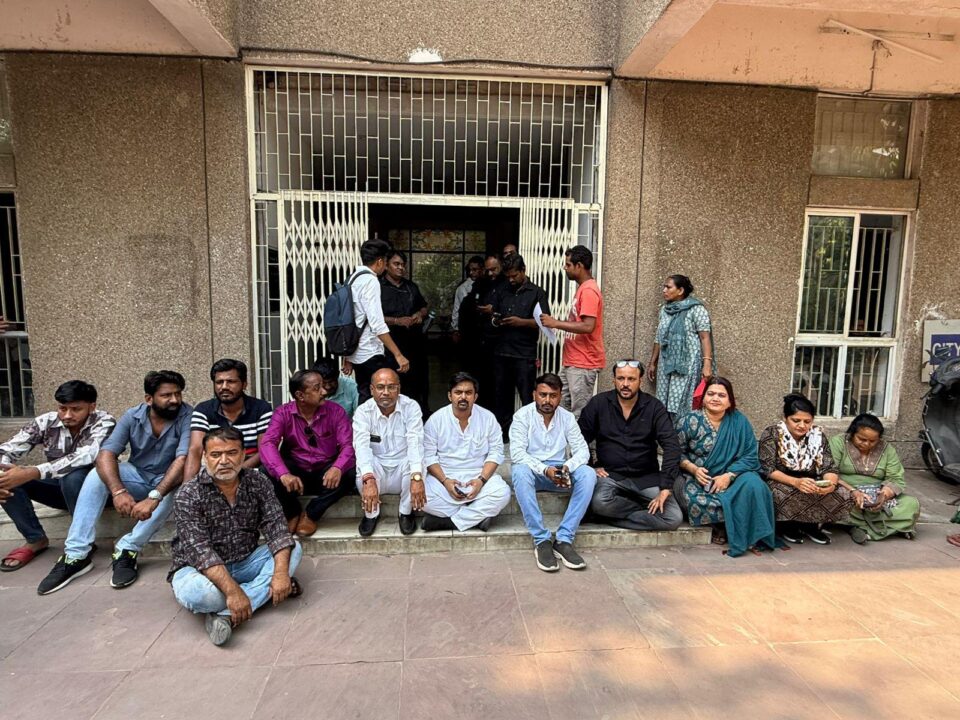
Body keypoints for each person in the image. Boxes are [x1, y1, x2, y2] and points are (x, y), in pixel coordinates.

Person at [37, 371, 193, 595]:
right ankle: (76, 555)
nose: (175, 400)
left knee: (183, 485)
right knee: (96, 474)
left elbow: (183, 460)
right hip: (137, 475)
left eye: (178, 394)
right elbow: (106, 454)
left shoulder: (188, 415)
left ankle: (128, 549)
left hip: (168, 480)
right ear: (149, 399)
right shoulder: (132, 416)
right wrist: (118, 491)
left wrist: (154, 497)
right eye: (166, 395)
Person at [169, 427, 302, 647]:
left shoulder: (257, 481)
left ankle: (226, 616)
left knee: (293, 547)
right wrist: (232, 592)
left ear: (243, 455)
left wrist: (280, 574)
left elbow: (277, 528)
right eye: (215, 455)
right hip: (197, 569)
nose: (224, 461)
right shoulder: (188, 494)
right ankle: (259, 592)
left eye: (231, 453)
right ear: (204, 457)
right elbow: (201, 553)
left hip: (244, 561)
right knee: (201, 596)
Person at [0, 381, 115, 571]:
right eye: (63, 408)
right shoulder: (46, 422)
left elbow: (86, 456)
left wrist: (33, 471)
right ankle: (35, 539)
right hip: (58, 491)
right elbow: (7, 449)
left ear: (92, 407)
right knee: (7, 478)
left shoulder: (105, 422)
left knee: (74, 476)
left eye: (76, 409)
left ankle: (82, 540)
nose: (67, 415)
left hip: (98, 494)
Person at [674, 377, 779, 557]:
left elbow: (750, 455)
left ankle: (743, 531)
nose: (715, 398)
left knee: (756, 486)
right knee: (690, 499)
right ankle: (722, 525)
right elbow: (675, 453)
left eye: (721, 395)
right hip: (699, 479)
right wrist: (694, 469)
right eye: (711, 394)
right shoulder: (688, 421)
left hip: (733, 477)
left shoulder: (740, 421)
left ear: (730, 400)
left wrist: (729, 475)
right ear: (703, 397)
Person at [579, 360, 682, 532]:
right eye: (621, 378)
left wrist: (666, 487)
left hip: (646, 478)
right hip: (611, 475)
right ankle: (638, 510)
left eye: (631, 379)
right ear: (614, 380)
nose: (625, 384)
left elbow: (672, 446)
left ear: (640, 380)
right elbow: (579, 439)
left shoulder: (654, 407)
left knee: (673, 518)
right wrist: (590, 467)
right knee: (600, 502)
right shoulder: (599, 403)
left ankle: (607, 516)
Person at [509, 373, 596, 572]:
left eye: (553, 395)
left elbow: (582, 451)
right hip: (534, 472)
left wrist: (567, 467)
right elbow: (517, 453)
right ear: (534, 394)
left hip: (559, 472)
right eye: (543, 395)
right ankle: (541, 540)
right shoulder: (522, 416)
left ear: (559, 396)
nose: (547, 400)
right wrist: (544, 469)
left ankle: (564, 539)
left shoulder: (567, 418)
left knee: (588, 474)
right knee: (519, 471)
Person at [260, 369, 356, 537]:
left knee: (350, 473)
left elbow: (348, 445)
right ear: (300, 395)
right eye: (317, 388)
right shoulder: (283, 413)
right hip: (296, 475)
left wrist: (337, 468)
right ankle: (292, 512)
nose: (324, 391)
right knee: (265, 470)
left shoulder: (336, 412)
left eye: (323, 386)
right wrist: (283, 474)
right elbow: (267, 444)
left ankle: (311, 514)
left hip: (326, 474)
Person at [758, 394, 854, 545]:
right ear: (785, 418)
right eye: (796, 420)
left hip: (811, 479)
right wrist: (796, 482)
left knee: (842, 493)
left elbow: (829, 466)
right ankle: (787, 526)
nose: (802, 425)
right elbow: (768, 469)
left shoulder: (818, 436)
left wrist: (830, 484)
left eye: (807, 421)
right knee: (779, 492)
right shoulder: (772, 434)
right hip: (781, 479)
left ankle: (811, 526)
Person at [421, 372, 511, 531]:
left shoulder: (488, 418)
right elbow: (428, 456)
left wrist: (481, 480)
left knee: (502, 493)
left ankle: (448, 522)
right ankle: (475, 517)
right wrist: (445, 481)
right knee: (421, 496)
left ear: (475, 397)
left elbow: (496, 453)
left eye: (468, 393)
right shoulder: (436, 420)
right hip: (445, 478)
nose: (463, 397)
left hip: (478, 477)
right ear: (450, 396)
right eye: (458, 392)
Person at [353, 368, 426, 537]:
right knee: (363, 469)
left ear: (399, 389)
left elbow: (415, 443)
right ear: (372, 390)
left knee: (417, 464)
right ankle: (371, 514)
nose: (386, 392)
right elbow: (361, 446)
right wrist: (368, 478)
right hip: (378, 468)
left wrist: (417, 477)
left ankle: (405, 512)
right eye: (380, 387)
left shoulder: (411, 407)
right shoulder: (363, 411)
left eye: (391, 387)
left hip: (402, 468)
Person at [828, 414, 920, 543]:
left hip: (876, 495)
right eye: (861, 439)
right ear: (852, 433)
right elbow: (829, 471)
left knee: (911, 504)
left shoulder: (887, 449)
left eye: (873, 441)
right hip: (846, 491)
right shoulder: (838, 443)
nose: (867, 444)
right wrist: (853, 492)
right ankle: (891, 528)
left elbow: (896, 478)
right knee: (832, 501)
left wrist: (884, 495)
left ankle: (857, 527)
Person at [540, 245, 605, 418]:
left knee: (579, 414)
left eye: (568, 264)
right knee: (563, 411)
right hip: (573, 361)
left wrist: (555, 323)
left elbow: (588, 326)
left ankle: (581, 438)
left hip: (583, 362)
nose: (565, 268)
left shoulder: (589, 290)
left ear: (579, 266)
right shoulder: (583, 288)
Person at [343, 238, 410, 404]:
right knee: (380, 395)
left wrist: (348, 356)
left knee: (366, 393)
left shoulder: (353, 278)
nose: (386, 267)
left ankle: (363, 421)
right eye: (386, 262)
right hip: (369, 352)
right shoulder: (370, 281)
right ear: (380, 261)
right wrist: (398, 355)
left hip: (357, 351)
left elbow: (351, 319)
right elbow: (377, 325)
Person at [184, 359, 273, 483]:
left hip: (250, 468)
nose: (224, 387)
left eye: (231, 382)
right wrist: (186, 487)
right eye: (219, 382)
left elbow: (264, 450)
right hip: (215, 468)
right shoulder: (203, 410)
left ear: (244, 384)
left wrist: (234, 473)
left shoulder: (261, 408)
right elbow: (195, 450)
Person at [492, 253, 550, 437]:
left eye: (514, 275)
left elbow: (544, 322)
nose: (511, 279)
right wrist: (497, 320)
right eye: (508, 276)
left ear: (523, 270)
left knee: (527, 397)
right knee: (502, 397)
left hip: (524, 354)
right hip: (502, 352)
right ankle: (504, 435)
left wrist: (521, 322)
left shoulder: (537, 292)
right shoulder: (503, 290)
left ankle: (529, 435)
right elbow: (493, 313)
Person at [647, 275, 713, 419]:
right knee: (662, 401)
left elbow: (705, 337)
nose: (664, 290)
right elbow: (659, 337)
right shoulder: (665, 310)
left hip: (687, 364)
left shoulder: (696, 309)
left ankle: (682, 431)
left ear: (680, 290)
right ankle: (666, 431)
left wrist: (707, 364)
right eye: (664, 287)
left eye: (668, 287)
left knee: (681, 401)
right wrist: (653, 362)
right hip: (666, 363)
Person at [380, 249, 430, 414]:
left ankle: (419, 414)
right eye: (396, 264)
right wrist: (397, 321)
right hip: (390, 345)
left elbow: (424, 307)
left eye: (403, 265)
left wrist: (419, 315)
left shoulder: (411, 286)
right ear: (386, 265)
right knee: (393, 382)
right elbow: (372, 318)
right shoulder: (378, 287)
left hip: (415, 343)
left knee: (418, 382)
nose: (400, 268)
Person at [470, 254, 507, 411]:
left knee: (499, 381)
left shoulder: (507, 283)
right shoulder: (482, 283)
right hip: (483, 338)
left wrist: (494, 310)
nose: (491, 273)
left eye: (494, 269)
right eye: (488, 270)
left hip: (502, 340)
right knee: (482, 377)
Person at [451, 255, 485, 345]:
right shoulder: (463, 288)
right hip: (468, 328)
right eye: (470, 270)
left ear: (482, 269)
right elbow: (457, 309)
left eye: (475, 269)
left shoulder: (488, 285)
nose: (471, 272)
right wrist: (455, 330)